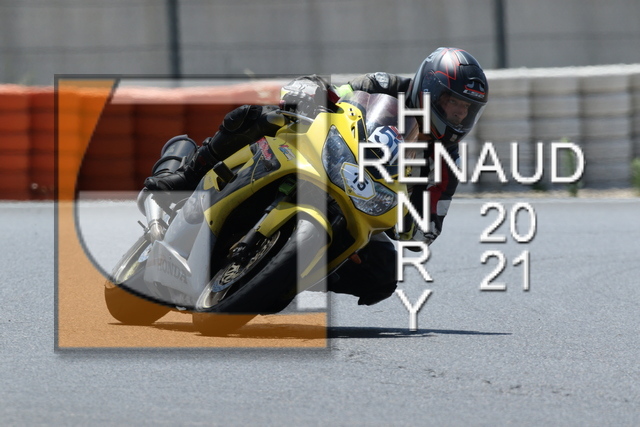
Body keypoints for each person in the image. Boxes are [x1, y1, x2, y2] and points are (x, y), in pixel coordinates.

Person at [144, 47, 489, 306]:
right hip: (330, 152)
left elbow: (428, 229)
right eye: (452, 103)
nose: (459, 115)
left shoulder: (447, 162)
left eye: (467, 109)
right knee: (253, 117)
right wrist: (311, 90)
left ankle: (288, 273)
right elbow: (339, 95)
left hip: (366, 201)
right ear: (428, 89)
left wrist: (411, 221)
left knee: (383, 275)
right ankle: (187, 175)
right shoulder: (385, 86)